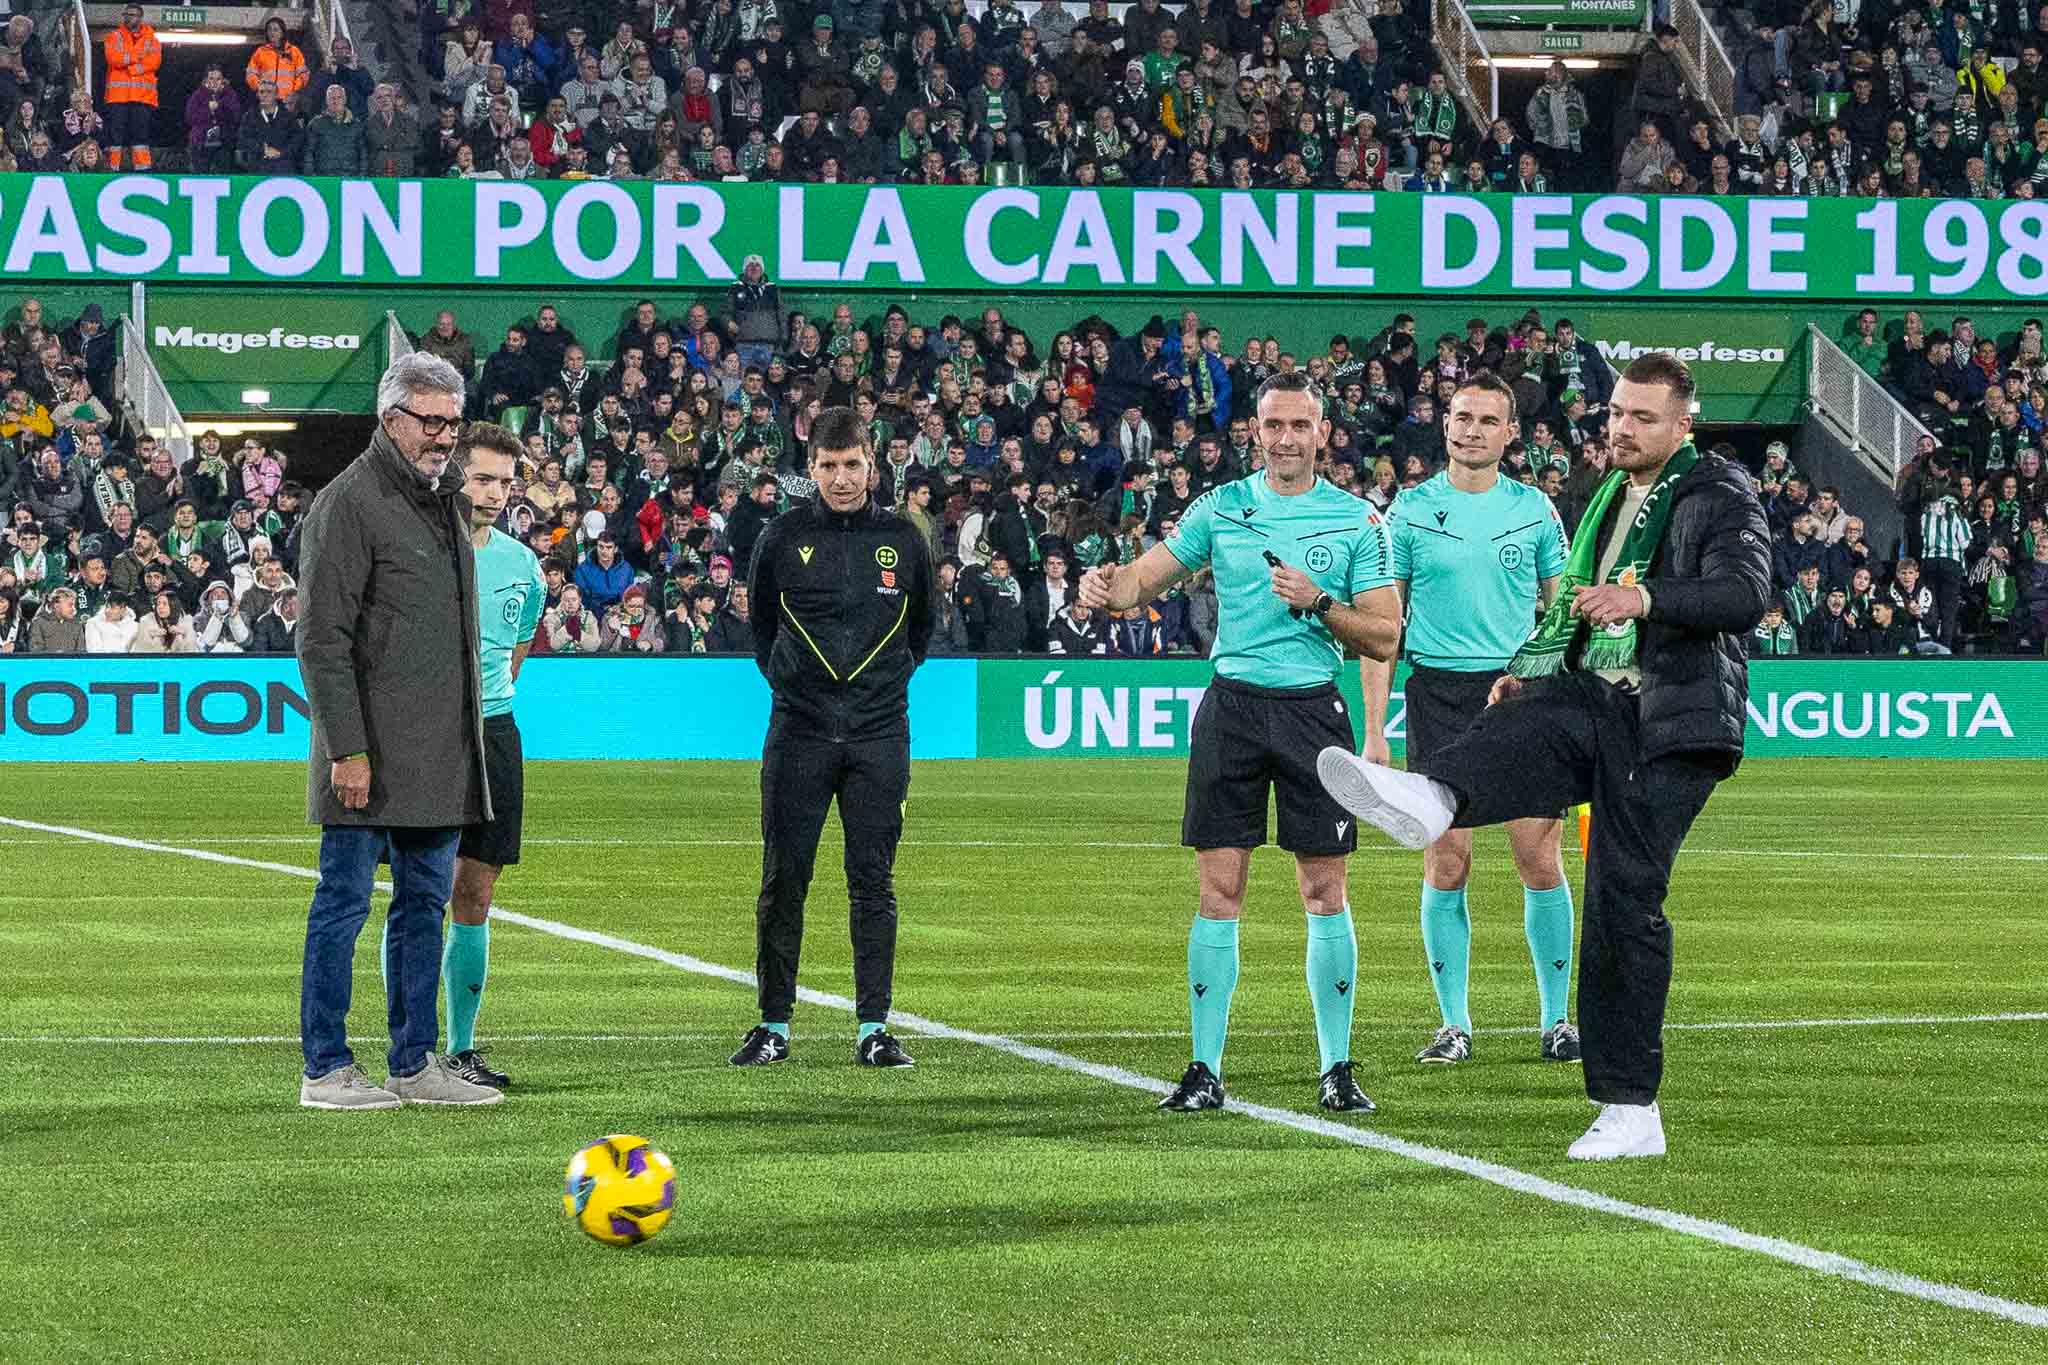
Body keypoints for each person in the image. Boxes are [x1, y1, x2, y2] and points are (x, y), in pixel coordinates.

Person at [1317, 355, 1771, 1161]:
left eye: (1642, 417)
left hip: (1670, 723)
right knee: (1521, 717)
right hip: (1600, 698)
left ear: (1682, 426)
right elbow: (1572, 614)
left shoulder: (1717, 491)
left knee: (1623, 900)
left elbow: (1743, 593)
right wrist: (1527, 672)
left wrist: (1647, 597)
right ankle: (1432, 797)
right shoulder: (1608, 498)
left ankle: (1632, 1108)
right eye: (1618, 413)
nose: (1622, 427)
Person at [1077, 372, 1402, 1114]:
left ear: (1323, 432)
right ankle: (1204, 1068)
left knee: (1325, 890)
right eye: (1273, 424)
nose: (1285, 437)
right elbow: (1144, 581)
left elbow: (1386, 633)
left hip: (1313, 713)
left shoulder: (1358, 520)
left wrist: (1320, 604)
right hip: (1232, 710)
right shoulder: (1222, 507)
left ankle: (1337, 1065)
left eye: (1299, 425)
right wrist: (1107, 586)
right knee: (1218, 892)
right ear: (1255, 429)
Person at [294, 353, 500, 1111]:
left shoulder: (444, 498)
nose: (445, 437)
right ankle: (325, 1067)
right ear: (390, 420)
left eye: (453, 421)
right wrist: (345, 748)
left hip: (438, 756)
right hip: (368, 755)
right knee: (342, 907)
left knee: (422, 907)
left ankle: (414, 1062)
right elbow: (321, 637)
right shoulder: (349, 502)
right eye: (430, 421)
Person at [1364, 373, 1579, 1068]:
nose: (1471, 429)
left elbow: (1562, 612)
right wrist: (1375, 730)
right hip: (1441, 697)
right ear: (1445, 423)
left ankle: (1557, 1020)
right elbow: (1382, 629)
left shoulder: (1536, 510)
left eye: (1488, 419)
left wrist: (1566, 699)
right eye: (1462, 417)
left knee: (1537, 857)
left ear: (1510, 433)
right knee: (1447, 859)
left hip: (1520, 693)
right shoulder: (1409, 512)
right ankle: (1453, 1024)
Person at [734, 407, 934, 1069]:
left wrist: (878, 690)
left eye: (851, 465)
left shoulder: (903, 538)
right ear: (810, 467)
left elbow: (922, 631)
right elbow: (763, 632)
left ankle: (874, 1027)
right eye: (828, 466)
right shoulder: (782, 537)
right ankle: (772, 1025)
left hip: (880, 734)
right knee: (783, 879)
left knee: (872, 882)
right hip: (800, 732)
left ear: (872, 466)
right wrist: (801, 691)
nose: (841, 478)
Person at [424, 423, 546, 1092]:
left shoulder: (522, 565)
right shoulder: (420, 550)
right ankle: (410, 1046)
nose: (495, 492)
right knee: (421, 890)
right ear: (455, 476)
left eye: (505, 480)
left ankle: (461, 1047)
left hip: (494, 733)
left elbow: (516, 651)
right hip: (427, 736)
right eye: (483, 478)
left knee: (476, 891)